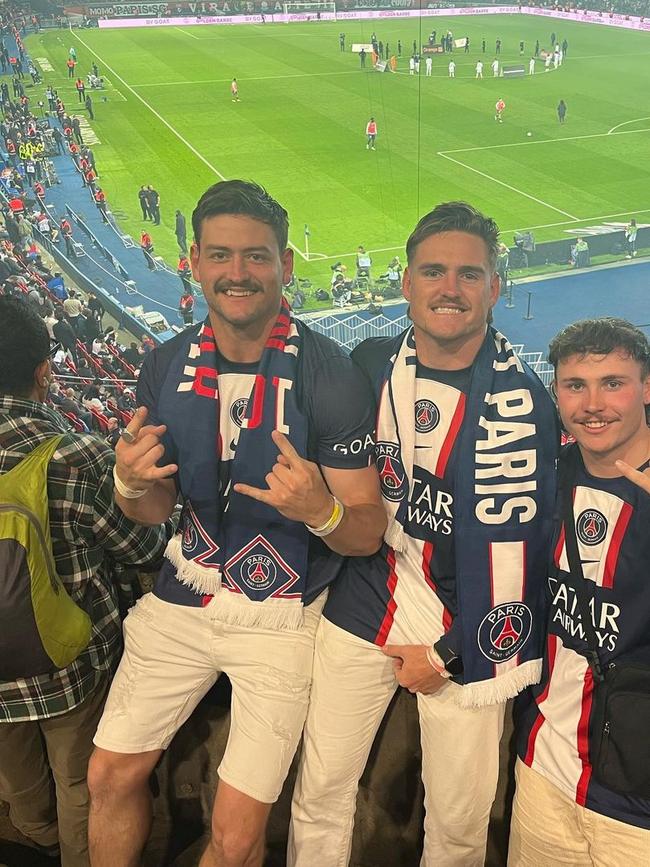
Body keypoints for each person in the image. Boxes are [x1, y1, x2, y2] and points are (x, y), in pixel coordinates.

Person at [86, 180, 385, 867]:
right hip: (185, 590)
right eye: (221, 255)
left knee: (238, 835)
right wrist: (129, 481)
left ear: (285, 263)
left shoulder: (330, 375)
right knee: (109, 775)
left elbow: (365, 530)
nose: (238, 273)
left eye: (256, 256)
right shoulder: (164, 364)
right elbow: (152, 509)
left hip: (282, 612)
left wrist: (322, 510)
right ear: (194, 259)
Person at [289, 201, 558, 867]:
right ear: (404, 282)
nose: (450, 288)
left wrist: (453, 652)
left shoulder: (527, 405)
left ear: (496, 286)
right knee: (319, 787)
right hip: (365, 594)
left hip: (467, 623)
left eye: (471, 274)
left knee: (460, 824)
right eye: (433, 271)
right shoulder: (370, 360)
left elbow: (528, 560)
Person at [0, 297, 166, 867]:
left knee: (15, 767)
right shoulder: (77, 456)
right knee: (80, 783)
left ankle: (31, 835)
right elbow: (141, 547)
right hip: (67, 665)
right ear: (45, 373)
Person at [511, 317, 650, 866]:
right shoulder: (545, 477)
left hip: (638, 805)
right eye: (576, 386)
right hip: (543, 770)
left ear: (647, 386)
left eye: (613, 383)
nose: (593, 404)